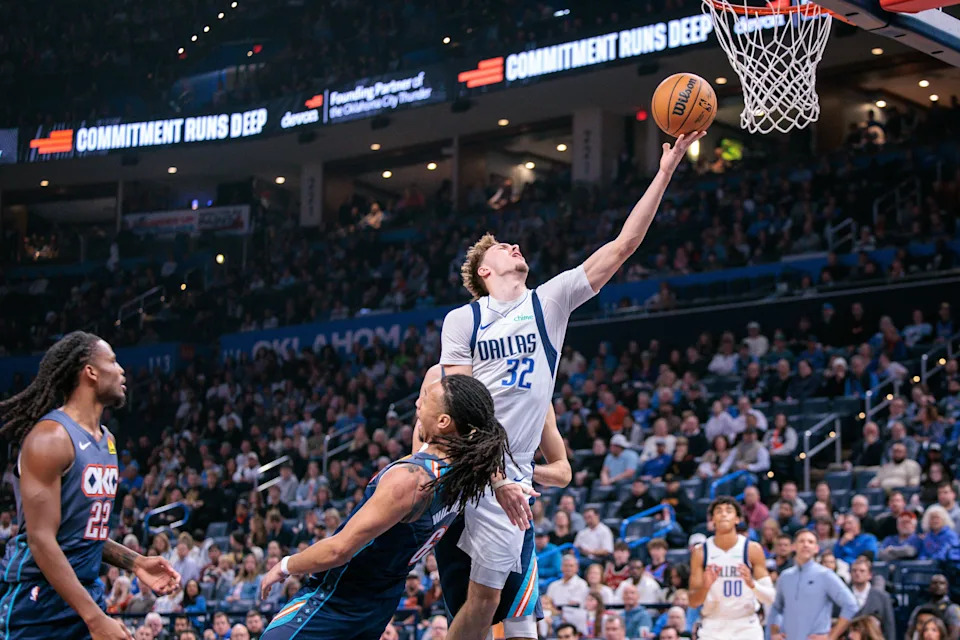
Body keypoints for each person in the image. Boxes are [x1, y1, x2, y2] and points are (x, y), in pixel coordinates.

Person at [436, 131, 704, 640]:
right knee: (472, 615)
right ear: (486, 269)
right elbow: (460, 413)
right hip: (469, 479)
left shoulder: (549, 301)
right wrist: (493, 477)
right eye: (503, 247)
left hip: (513, 481)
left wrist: (666, 169)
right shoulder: (461, 321)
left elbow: (624, 245)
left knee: (516, 623)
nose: (517, 245)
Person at [258, 374, 512, 640]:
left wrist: (285, 565)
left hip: (340, 598)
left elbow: (338, 550)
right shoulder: (464, 474)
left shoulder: (412, 480)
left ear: (443, 422)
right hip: (379, 600)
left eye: (425, 400)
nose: (417, 404)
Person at [0, 332, 181, 640]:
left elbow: (82, 534)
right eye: (112, 361)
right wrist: (96, 619)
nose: (122, 370)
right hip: (39, 603)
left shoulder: (107, 441)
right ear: (90, 372)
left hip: (85, 595)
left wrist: (135, 562)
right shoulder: (51, 438)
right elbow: (41, 540)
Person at [689, 497, 774, 640]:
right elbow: (692, 601)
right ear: (712, 520)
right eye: (718, 511)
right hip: (713, 625)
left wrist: (752, 585)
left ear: (737, 519)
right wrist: (705, 586)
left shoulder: (752, 549)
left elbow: (770, 597)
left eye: (728, 511)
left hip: (746, 626)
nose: (723, 514)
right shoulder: (701, 552)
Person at [767, 530, 859, 640]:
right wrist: (774, 633)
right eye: (801, 541)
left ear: (816, 548)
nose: (806, 545)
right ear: (794, 547)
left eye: (810, 542)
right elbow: (776, 608)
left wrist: (832, 636)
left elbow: (851, 605)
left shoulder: (825, 575)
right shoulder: (785, 576)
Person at [847, 558, 895, 640]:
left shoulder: (882, 597)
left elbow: (889, 626)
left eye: (862, 571)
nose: (857, 573)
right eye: (854, 571)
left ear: (870, 575)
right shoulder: (842, 595)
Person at [906, 576, 960, 640]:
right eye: (935, 583)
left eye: (942, 583)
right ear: (929, 587)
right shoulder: (920, 609)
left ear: (947, 588)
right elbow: (909, 633)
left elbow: (954, 635)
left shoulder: (952, 608)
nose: (938, 585)